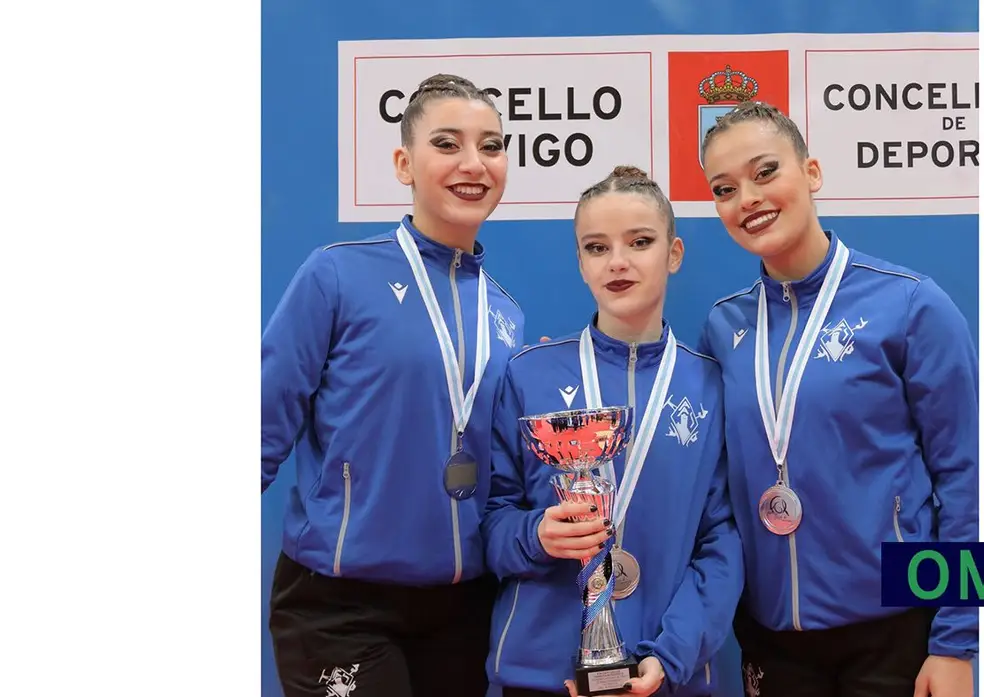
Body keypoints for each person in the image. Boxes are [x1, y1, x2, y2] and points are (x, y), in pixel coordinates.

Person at [695, 101, 979, 697]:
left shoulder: (910, 306)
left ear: (813, 172)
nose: (747, 197)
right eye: (725, 188)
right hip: (773, 639)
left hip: (895, 632)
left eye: (765, 171)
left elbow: (966, 479)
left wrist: (957, 640)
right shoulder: (724, 328)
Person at [261, 73, 526, 697]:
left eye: (491, 145)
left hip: (460, 608)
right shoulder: (336, 276)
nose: (473, 163)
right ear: (404, 163)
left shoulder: (506, 316)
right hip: (340, 605)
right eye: (447, 143)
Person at [482, 166, 744, 697]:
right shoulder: (528, 375)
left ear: (673, 254)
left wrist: (672, 656)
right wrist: (536, 535)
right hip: (541, 677)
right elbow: (491, 522)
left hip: (668, 675)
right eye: (597, 247)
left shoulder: (712, 385)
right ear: (580, 263)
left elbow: (723, 542)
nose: (618, 261)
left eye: (640, 242)